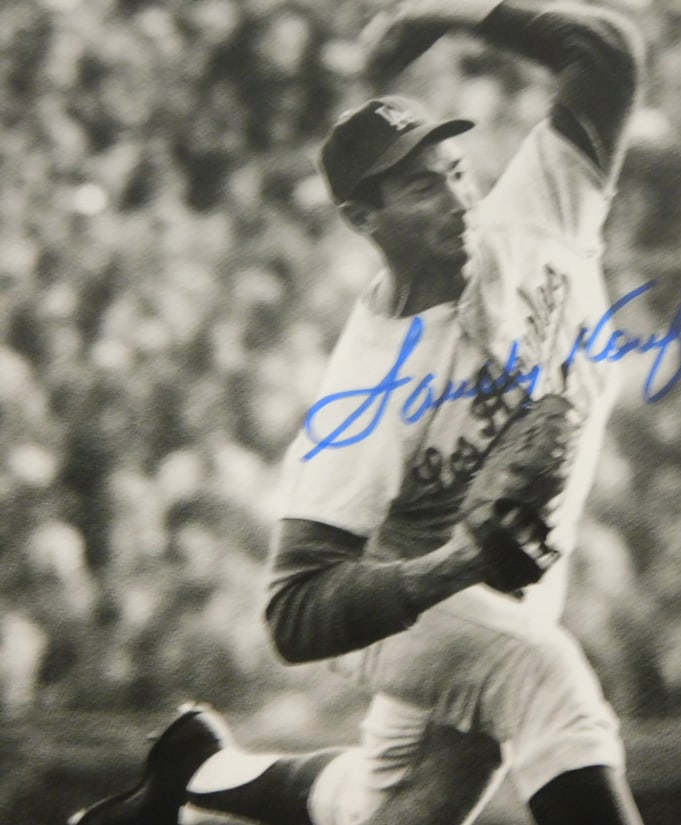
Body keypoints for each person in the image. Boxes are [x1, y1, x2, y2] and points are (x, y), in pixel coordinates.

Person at [70, 1, 646, 824]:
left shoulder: (534, 216)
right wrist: (455, 566)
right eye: (420, 186)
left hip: (509, 573)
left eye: (455, 170)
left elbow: (612, 50)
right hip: (404, 594)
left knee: (401, 808)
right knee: (545, 680)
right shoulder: (372, 385)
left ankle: (197, 785)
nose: (457, 197)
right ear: (361, 220)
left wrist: (455, 11)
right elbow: (295, 610)